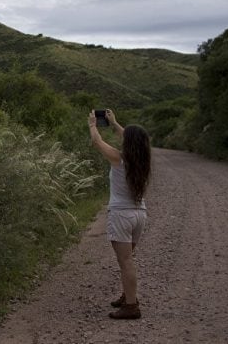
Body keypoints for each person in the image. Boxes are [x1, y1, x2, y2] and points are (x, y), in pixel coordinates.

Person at [88, 109, 151, 319]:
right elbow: (133, 139)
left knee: (126, 261)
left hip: (122, 215)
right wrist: (114, 123)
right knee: (127, 259)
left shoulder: (118, 158)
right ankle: (128, 295)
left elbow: (97, 143)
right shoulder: (143, 160)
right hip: (139, 214)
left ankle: (131, 306)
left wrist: (92, 125)